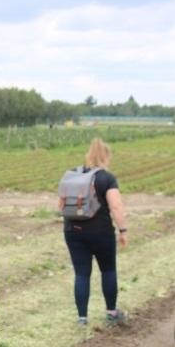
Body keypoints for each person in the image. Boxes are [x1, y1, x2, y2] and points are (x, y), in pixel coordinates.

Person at [62, 138, 128, 326]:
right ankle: (111, 313)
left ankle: (82, 318)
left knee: (81, 274)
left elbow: (61, 204)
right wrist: (123, 230)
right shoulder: (107, 178)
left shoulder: (72, 174)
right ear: (105, 156)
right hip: (101, 232)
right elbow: (116, 206)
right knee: (108, 270)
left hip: (73, 231)